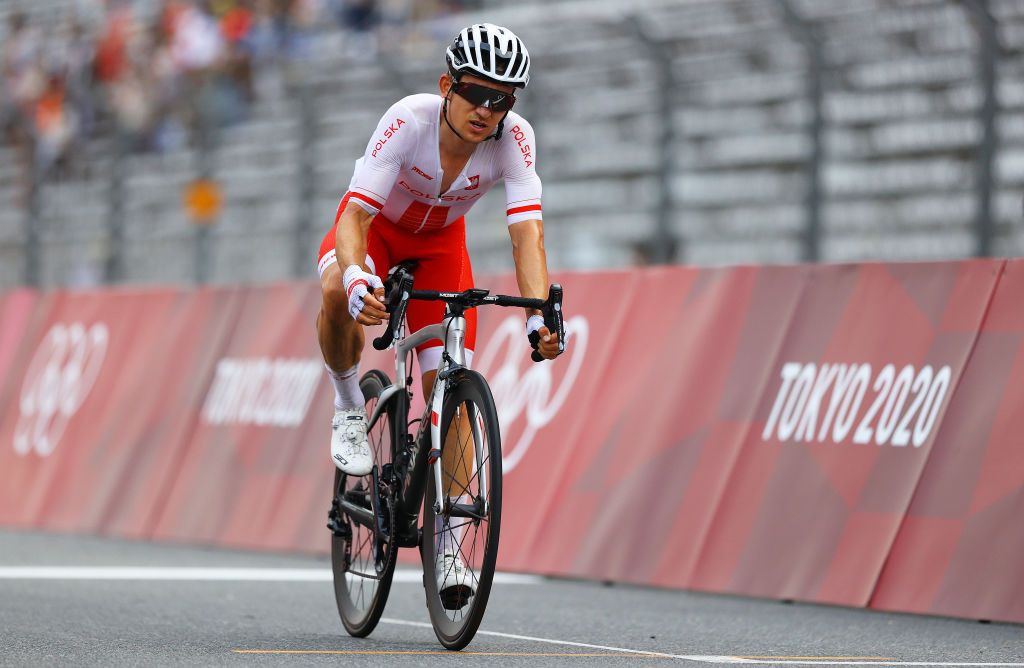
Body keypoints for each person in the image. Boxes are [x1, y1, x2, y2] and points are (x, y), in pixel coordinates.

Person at [315, 23, 561, 596]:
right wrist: (355, 277)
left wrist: (537, 318)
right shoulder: (409, 119)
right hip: (375, 233)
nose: (485, 108)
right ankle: (350, 403)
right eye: (475, 91)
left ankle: (450, 546)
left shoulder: (515, 139)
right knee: (334, 294)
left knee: (450, 391)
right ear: (447, 85)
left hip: (441, 250)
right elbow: (354, 217)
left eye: (501, 99)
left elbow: (528, 236)